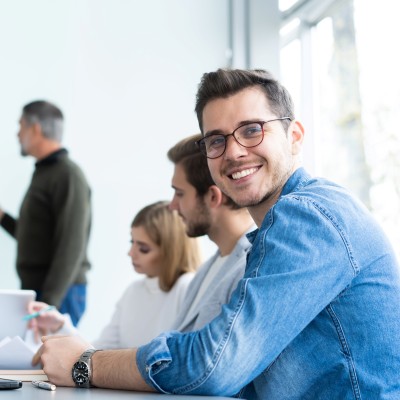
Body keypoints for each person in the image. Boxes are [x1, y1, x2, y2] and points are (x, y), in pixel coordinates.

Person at [34, 69, 400, 399]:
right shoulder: (280, 229)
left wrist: (86, 364)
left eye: (252, 130)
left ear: (295, 137)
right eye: (216, 140)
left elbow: (217, 363)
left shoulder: (309, 217)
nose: (234, 152)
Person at [29, 201, 201, 348]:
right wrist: (61, 326)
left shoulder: (187, 287)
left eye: (143, 248)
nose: (130, 253)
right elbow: (99, 351)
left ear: (171, 251)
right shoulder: (134, 291)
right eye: (132, 242)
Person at [0, 100, 92, 326]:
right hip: (42, 289)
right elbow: (33, 235)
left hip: (60, 292)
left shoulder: (67, 175)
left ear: (35, 128)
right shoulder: (45, 172)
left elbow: (71, 245)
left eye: (20, 126)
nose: (17, 134)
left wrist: (49, 302)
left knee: (55, 359)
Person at [167, 134, 255, 332]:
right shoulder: (207, 270)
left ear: (213, 197)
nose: (172, 206)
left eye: (180, 194)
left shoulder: (251, 269)